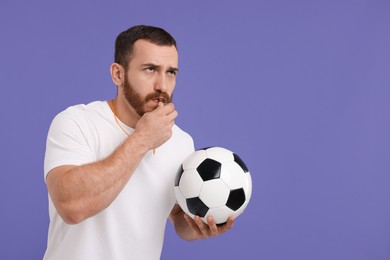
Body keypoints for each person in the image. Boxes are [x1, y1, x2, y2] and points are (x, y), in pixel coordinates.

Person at [43, 25, 234, 260]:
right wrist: (142, 140)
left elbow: (176, 215)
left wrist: (198, 224)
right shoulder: (77, 122)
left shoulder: (181, 142)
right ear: (118, 74)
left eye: (171, 72)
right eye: (150, 69)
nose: (162, 86)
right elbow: (71, 207)